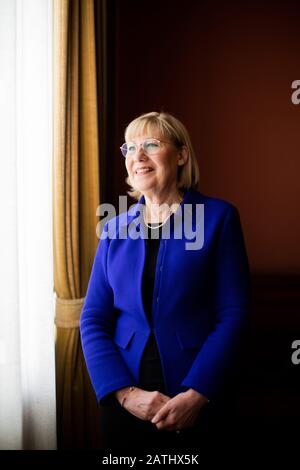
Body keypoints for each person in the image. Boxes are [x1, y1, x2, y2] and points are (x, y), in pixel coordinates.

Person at [80, 111, 251, 451]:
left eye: (151, 144)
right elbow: (93, 319)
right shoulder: (114, 228)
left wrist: (198, 394)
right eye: (129, 148)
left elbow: (234, 315)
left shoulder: (219, 218)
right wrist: (125, 395)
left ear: (181, 155)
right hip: (126, 399)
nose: (137, 156)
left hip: (199, 397)